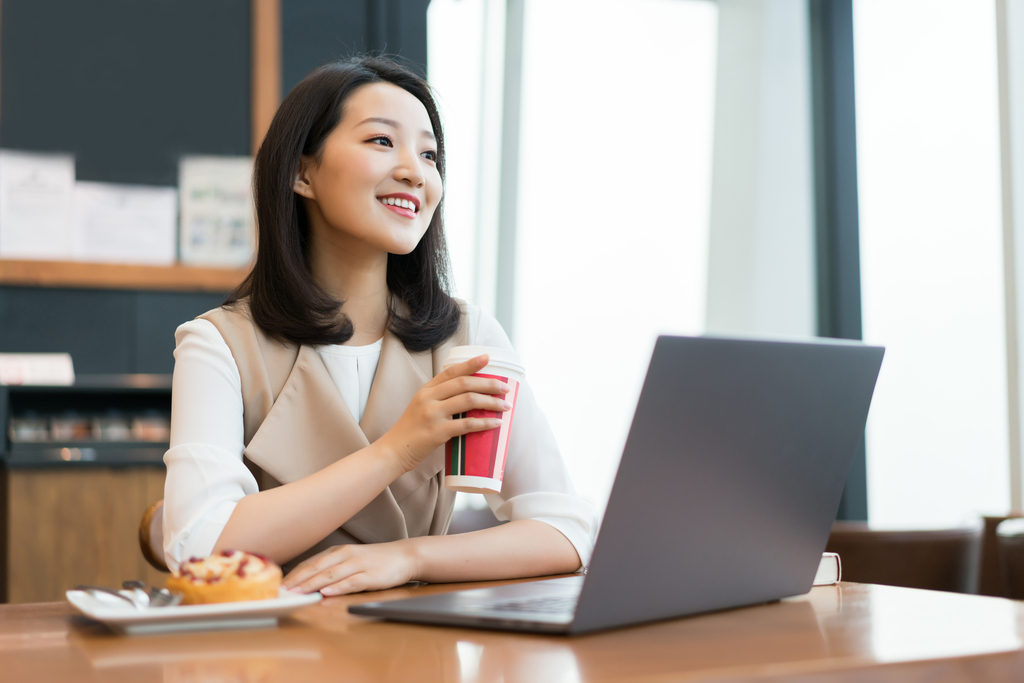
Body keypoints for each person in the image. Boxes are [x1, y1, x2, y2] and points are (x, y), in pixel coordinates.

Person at [163, 55, 597, 597]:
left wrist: (409, 557)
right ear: (302, 173)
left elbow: (565, 528)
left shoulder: (468, 337)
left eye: (430, 153)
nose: (417, 171)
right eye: (382, 142)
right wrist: (396, 450)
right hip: (273, 653)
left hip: (419, 653)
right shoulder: (218, 344)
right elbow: (197, 546)